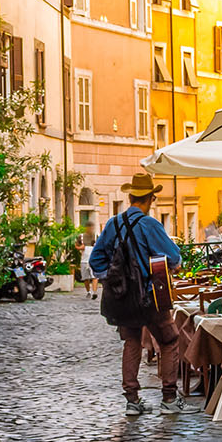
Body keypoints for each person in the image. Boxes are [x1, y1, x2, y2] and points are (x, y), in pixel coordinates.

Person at [89, 174, 184, 415]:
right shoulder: (150, 224)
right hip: (151, 295)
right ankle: (169, 398)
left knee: (131, 342)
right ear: (150, 198)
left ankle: (132, 400)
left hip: (123, 298)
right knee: (169, 340)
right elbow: (174, 257)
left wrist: (113, 280)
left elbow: (95, 260)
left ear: (130, 197)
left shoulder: (113, 224)